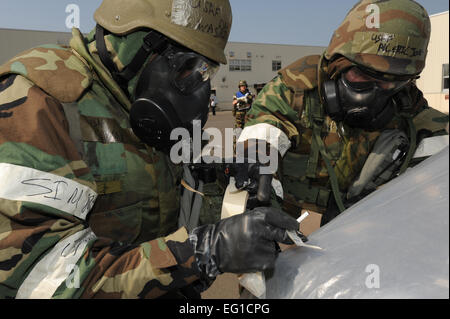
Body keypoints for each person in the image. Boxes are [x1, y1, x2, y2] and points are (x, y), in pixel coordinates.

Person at [0, 0, 299, 299]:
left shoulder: (138, 101)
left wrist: (234, 185)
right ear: (136, 43)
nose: (194, 87)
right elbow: (39, 279)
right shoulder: (39, 100)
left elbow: (179, 194)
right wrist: (201, 252)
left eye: (204, 72)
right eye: (186, 68)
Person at [236, 0, 449, 227]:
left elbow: (436, 181)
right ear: (337, 63)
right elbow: (264, 126)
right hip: (292, 199)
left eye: (391, 82)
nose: (374, 93)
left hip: (365, 213)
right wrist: (257, 170)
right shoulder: (296, 87)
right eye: (363, 75)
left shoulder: (413, 110)